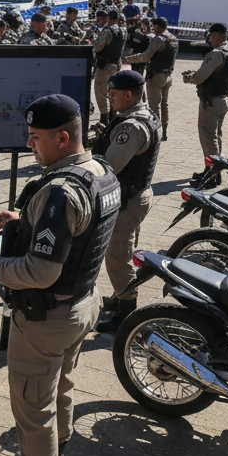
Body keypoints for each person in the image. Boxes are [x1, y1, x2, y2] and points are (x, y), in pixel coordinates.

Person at [0, 94, 120, 456]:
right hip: (83, 302)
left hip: (47, 317)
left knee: (32, 405)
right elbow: (81, 228)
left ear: (62, 139)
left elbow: (41, 271)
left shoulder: (59, 191)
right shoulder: (100, 170)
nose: (28, 144)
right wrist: (22, 219)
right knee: (59, 389)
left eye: (35, 137)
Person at [91, 71, 161, 334]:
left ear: (128, 95)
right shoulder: (146, 114)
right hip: (136, 194)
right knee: (121, 254)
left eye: (113, 94)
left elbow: (110, 167)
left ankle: (127, 313)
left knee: (118, 256)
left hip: (126, 201)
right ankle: (121, 297)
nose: (109, 98)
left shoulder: (130, 127)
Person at [183, 23, 228, 184]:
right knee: (216, 135)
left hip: (211, 101)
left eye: (212, 36)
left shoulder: (216, 53)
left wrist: (189, 78)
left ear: (217, 35)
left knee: (208, 137)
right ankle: (214, 169)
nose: (210, 39)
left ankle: (212, 174)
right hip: (224, 98)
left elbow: (200, 78)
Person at [122, 17, 177, 141]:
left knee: (154, 105)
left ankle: (156, 131)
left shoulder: (159, 39)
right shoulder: (173, 38)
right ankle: (164, 131)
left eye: (155, 26)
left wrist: (127, 59)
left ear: (158, 26)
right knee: (164, 104)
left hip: (156, 76)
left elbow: (145, 57)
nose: (153, 29)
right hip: (168, 76)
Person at [91, 10, 125, 125]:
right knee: (113, 90)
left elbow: (97, 47)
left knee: (100, 91)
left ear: (109, 18)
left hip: (104, 67)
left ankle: (104, 117)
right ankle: (113, 114)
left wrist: (93, 40)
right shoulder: (123, 31)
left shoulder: (107, 31)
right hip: (116, 66)